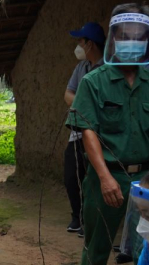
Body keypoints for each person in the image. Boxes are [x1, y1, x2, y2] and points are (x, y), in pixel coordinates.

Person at [69, 3, 149, 265]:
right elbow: (88, 132)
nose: (131, 41)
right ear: (113, 38)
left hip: (147, 179)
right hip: (105, 177)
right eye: (124, 35)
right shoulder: (93, 82)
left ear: (147, 40)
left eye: (138, 36)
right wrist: (105, 178)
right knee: (97, 248)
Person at [63, 21, 106, 237]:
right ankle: (76, 217)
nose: (78, 46)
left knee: (93, 179)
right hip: (77, 133)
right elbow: (68, 95)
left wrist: (82, 104)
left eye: (80, 41)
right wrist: (86, 103)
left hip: (98, 135)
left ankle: (92, 221)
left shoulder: (108, 68)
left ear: (90, 44)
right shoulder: (81, 68)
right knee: (71, 176)